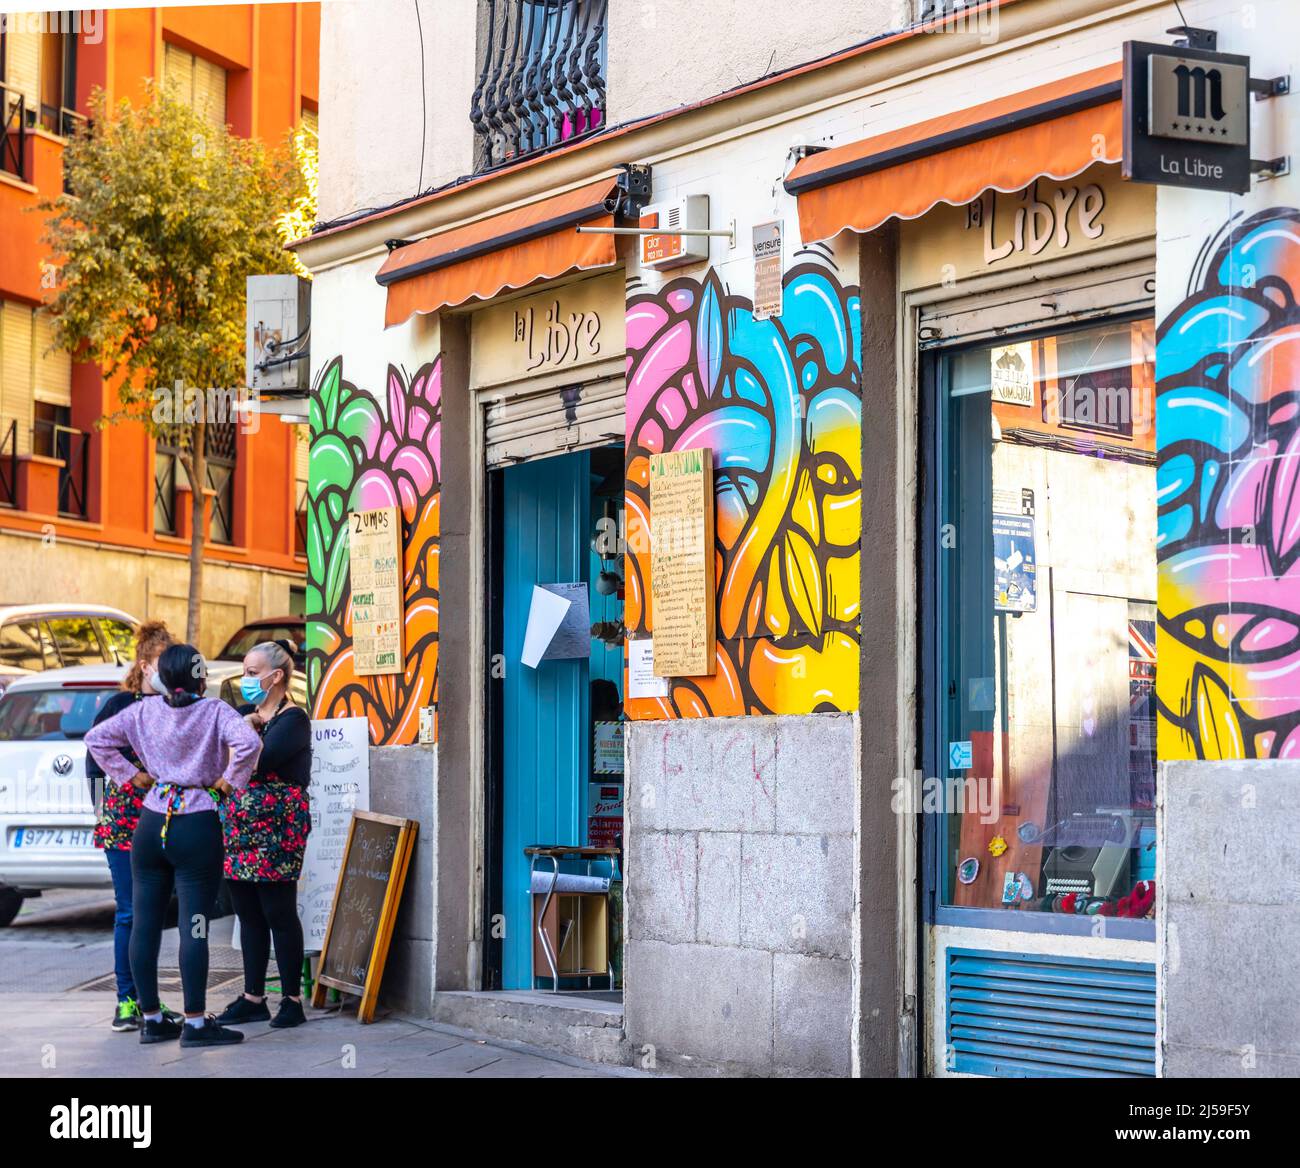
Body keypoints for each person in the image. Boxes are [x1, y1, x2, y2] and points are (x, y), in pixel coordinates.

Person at [85, 643, 261, 1048]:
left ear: (162, 678)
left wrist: (131, 776)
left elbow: (96, 739)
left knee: (144, 923)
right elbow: (249, 745)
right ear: (201, 677)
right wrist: (229, 781)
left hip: (151, 822)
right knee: (194, 925)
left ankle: (151, 1018)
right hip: (196, 823)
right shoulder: (215, 711)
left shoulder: (144, 711)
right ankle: (196, 1023)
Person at [85, 619, 184, 1032]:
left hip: (169, 818)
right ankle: (128, 1002)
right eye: (161, 666)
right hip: (126, 821)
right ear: (145, 666)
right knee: (130, 911)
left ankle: (149, 1001)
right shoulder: (118, 707)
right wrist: (100, 809)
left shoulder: (178, 705)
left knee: (154, 913)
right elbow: (94, 761)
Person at [216, 639, 312, 1030]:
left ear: (276, 677)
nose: (246, 679)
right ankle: (253, 997)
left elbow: (257, 761)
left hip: (276, 830)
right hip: (238, 827)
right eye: (244, 671)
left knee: (278, 911)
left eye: (253, 673)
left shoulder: (294, 720)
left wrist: (244, 735)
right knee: (248, 913)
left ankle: (292, 1000)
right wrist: (244, 727)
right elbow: (216, 755)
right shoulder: (243, 715)